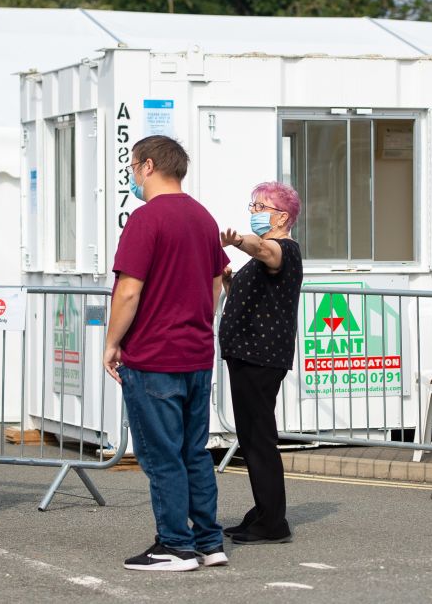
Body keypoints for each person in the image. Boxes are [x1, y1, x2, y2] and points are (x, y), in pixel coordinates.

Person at [102, 136, 229, 572]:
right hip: (196, 353)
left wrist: (112, 342)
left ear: (149, 165)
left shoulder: (145, 219)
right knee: (194, 451)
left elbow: (129, 290)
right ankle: (209, 541)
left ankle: (175, 545)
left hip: (154, 354)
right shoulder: (203, 217)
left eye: (133, 167)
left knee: (161, 456)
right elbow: (215, 284)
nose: (132, 175)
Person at [218, 182, 302, 544]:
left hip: (260, 357)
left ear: (282, 216)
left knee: (260, 438)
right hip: (247, 355)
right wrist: (228, 285)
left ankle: (273, 521)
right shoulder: (262, 255)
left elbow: (266, 251)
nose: (253, 212)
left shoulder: (282, 249)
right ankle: (263, 511)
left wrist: (237, 242)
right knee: (251, 437)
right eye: (252, 205)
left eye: (260, 206)